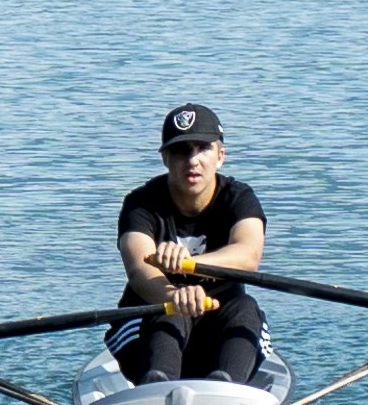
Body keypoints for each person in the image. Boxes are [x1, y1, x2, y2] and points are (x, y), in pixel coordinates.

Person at [112, 103, 275, 387]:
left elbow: (249, 255)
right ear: (165, 158)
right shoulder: (140, 204)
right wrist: (174, 296)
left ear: (220, 156)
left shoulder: (239, 199)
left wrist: (191, 263)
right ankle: (156, 388)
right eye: (181, 150)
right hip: (149, 328)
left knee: (246, 309)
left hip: (218, 326)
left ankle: (226, 388)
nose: (192, 160)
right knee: (170, 313)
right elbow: (139, 269)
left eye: (202, 148)